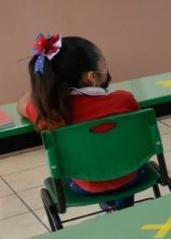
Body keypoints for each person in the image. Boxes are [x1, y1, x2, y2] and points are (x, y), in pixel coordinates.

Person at [17, 34, 141, 211]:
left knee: (83, 165)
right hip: (130, 176)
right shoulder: (124, 100)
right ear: (93, 77)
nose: (106, 67)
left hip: (84, 186)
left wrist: (44, 88)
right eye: (103, 65)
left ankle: (110, 208)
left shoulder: (51, 114)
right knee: (119, 156)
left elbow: (21, 104)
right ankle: (123, 210)